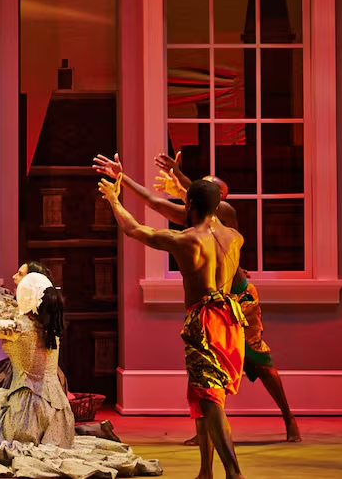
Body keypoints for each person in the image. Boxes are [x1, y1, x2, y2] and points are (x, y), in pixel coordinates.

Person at [96, 150, 302, 443]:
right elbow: (155, 202)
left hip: (238, 298)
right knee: (204, 368)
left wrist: (172, 183)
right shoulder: (198, 221)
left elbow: (144, 224)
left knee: (260, 362)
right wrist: (122, 177)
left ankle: (288, 419)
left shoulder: (225, 213)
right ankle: (206, 433)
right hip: (213, 305)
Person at [0, 274, 159, 477]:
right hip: (58, 413)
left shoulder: (20, 327)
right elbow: (6, 310)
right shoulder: (50, 325)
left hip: (27, 412)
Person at [101, 175, 247, 479]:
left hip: (204, 322)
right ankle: (205, 471)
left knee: (211, 399)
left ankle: (234, 473)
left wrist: (114, 199)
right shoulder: (235, 237)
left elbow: (134, 229)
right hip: (231, 322)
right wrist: (183, 192)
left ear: (189, 205)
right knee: (202, 395)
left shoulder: (186, 240)